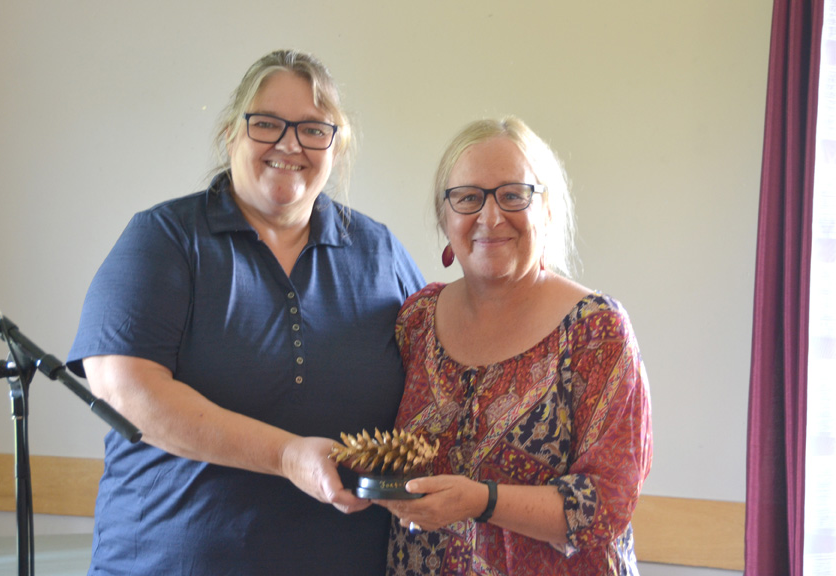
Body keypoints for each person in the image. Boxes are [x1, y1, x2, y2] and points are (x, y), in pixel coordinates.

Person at [67, 49, 424, 575]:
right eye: (267, 124)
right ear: (231, 134)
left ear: (336, 146)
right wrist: (286, 455)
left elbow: (439, 381)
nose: (289, 144)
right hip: (172, 562)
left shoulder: (380, 251)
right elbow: (125, 392)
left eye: (313, 129)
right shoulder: (164, 239)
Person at [374, 117, 652, 575]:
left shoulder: (596, 331)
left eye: (513, 195)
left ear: (547, 210)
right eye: (468, 197)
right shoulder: (417, 321)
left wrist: (481, 501)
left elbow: (607, 503)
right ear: (446, 219)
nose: (490, 217)